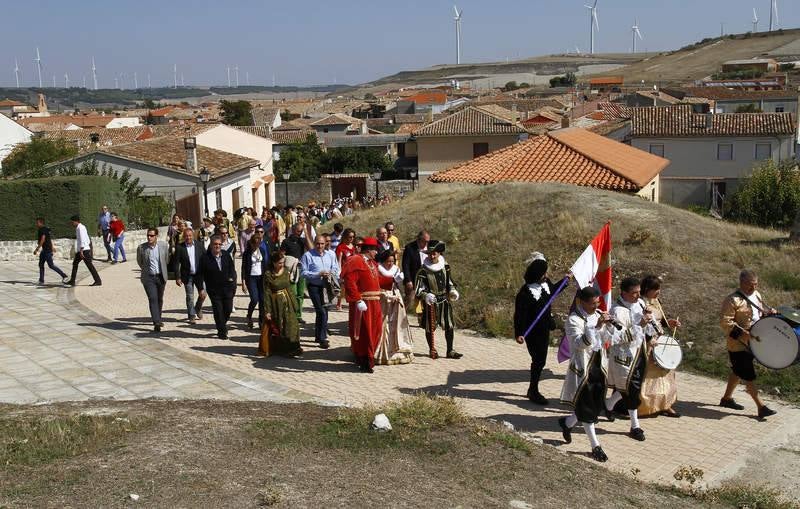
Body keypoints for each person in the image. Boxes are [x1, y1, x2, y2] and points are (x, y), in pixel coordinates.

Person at [558, 286, 615, 463]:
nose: (596, 306)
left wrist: (609, 328)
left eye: (597, 303)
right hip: (582, 370)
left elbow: (606, 340)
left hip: (599, 366)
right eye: (592, 303)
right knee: (587, 408)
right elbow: (579, 344)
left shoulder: (597, 314)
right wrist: (597, 326)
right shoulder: (573, 320)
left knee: (593, 405)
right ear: (582, 302)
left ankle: (567, 423)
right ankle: (595, 446)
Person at [719, 269, 777, 419]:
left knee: (738, 370)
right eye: (750, 285)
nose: (754, 288)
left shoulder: (757, 295)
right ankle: (761, 407)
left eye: (756, 284)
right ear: (742, 283)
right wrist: (743, 334)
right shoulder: (732, 300)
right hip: (738, 344)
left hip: (754, 342)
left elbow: (758, 313)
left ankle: (726, 399)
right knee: (748, 374)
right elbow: (726, 323)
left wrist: (768, 313)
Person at [514, 253, 568, 405]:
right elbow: (520, 316)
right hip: (532, 332)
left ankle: (533, 388)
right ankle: (533, 390)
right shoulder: (525, 294)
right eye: (544, 273)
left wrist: (566, 280)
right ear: (536, 275)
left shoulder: (545, 285)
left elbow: (554, 291)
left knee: (541, 360)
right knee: (538, 360)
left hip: (544, 328)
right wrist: (519, 333)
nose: (546, 275)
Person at [605, 277, 650, 442]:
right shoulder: (617, 311)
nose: (638, 296)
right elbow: (617, 338)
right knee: (632, 389)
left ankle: (609, 404)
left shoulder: (639, 303)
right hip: (624, 356)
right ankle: (635, 426)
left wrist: (661, 325)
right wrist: (639, 325)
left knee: (632, 386)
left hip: (639, 351)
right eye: (634, 293)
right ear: (624, 293)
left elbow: (646, 323)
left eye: (639, 292)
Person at [638, 275, 682, 418]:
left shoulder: (657, 302)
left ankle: (666, 404)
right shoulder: (640, 303)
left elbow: (660, 321)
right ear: (647, 289)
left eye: (659, 288)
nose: (658, 291)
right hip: (648, 342)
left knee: (666, 374)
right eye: (655, 289)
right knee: (649, 376)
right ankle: (643, 406)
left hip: (660, 341)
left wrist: (669, 322)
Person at [414, 240, 461, 359]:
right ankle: (432, 349)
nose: (432, 256)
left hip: (444, 300)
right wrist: (426, 295)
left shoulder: (445, 266)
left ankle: (450, 350)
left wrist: (452, 290)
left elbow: (449, 281)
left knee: (449, 325)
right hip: (431, 303)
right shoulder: (423, 270)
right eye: (430, 253)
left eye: (434, 253)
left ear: (440, 253)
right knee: (430, 327)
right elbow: (418, 289)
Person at [343, 237, 383, 372]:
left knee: (375, 330)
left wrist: (392, 280)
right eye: (375, 250)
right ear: (369, 250)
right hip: (364, 303)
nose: (376, 253)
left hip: (374, 303)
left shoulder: (372, 263)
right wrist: (357, 300)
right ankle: (364, 360)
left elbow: (375, 280)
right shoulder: (356, 261)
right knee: (365, 332)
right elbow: (349, 281)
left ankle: (369, 357)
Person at [260, 252, 303, 357]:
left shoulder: (286, 272)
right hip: (276, 303)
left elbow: (289, 288)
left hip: (287, 302)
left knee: (292, 325)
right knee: (280, 325)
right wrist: (268, 310)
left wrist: (295, 305)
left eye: (283, 262)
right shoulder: (268, 275)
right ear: (274, 263)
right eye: (279, 263)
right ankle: (283, 349)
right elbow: (267, 293)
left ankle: (294, 348)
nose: (282, 265)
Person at [300, 235, 340, 349]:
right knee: (321, 311)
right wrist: (317, 274)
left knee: (325, 310)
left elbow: (336, 268)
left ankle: (318, 335)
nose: (320, 246)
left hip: (327, 286)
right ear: (314, 243)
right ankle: (323, 338)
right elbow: (303, 273)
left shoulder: (330, 255)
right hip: (314, 286)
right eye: (318, 243)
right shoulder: (308, 255)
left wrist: (331, 273)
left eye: (322, 244)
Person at [375, 249, 414, 365]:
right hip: (382, 298)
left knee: (395, 323)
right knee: (384, 324)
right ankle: (381, 353)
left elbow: (397, 285)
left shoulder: (396, 269)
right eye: (388, 261)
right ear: (383, 260)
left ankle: (396, 351)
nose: (390, 263)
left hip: (395, 297)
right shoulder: (378, 269)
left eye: (392, 261)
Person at [199, 235, 238, 340]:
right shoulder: (205, 258)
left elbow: (232, 269)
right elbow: (200, 275)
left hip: (227, 288)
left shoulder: (226, 255)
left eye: (219, 244)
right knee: (218, 310)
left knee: (228, 309)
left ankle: (221, 324)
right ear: (211, 245)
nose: (217, 246)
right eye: (215, 244)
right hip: (214, 289)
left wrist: (232, 279)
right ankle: (222, 331)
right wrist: (201, 288)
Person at [136, 228, 168, 332]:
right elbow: (140, 262)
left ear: (156, 236)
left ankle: (158, 317)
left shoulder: (163, 246)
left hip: (160, 276)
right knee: (153, 298)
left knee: (159, 299)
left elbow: (166, 260)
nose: (149, 237)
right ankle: (156, 321)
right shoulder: (141, 248)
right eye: (148, 235)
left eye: (152, 236)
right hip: (148, 277)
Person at [174, 227, 206, 324]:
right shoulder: (180, 247)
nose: (188, 238)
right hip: (187, 276)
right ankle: (191, 315)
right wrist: (178, 277)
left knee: (203, 294)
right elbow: (176, 263)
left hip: (199, 275)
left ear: (193, 236)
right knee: (190, 296)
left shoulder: (199, 245)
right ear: (184, 237)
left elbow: (206, 258)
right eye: (186, 236)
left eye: (190, 236)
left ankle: (198, 307)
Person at [242, 226, 269, 329]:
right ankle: (249, 316)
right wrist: (243, 282)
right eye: (255, 244)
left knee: (262, 300)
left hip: (261, 277)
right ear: (251, 243)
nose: (256, 246)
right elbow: (243, 268)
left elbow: (265, 265)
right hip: (251, 278)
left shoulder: (261, 250)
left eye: (258, 244)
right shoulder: (247, 253)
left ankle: (261, 321)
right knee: (254, 299)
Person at [281, 223, 308, 323]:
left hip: (301, 269)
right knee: (293, 293)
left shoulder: (302, 241)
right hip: (290, 270)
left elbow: (310, 247)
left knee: (300, 294)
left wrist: (306, 232)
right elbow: (282, 255)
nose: (299, 233)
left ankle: (298, 315)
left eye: (301, 231)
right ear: (293, 230)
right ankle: (291, 314)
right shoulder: (286, 241)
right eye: (298, 231)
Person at [65, 215, 101, 287]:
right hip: (82, 249)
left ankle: (98, 281)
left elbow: (83, 239)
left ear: (76, 221)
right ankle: (72, 281)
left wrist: (81, 251)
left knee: (89, 265)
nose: (72, 224)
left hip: (83, 250)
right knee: (75, 263)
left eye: (72, 222)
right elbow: (87, 239)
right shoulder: (80, 227)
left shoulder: (80, 228)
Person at [33, 217, 68, 285]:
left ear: (41, 223)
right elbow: (49, 239)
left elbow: (43, 239)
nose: (36, 224)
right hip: (45, 250)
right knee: (41, 264)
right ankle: (41, 280)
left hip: (47, 251)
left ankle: (64, 275)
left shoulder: (42, 230)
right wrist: (52, 247)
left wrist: (37, 249)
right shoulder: (45, 229)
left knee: (51, 265)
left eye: (37, 223)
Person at [402, 229, 430, 311]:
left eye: (428, 241)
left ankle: (422, 320)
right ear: (419, 239)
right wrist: (408, 280)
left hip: (426, 280)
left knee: (425, 301)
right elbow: (405, 265)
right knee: (409, 300)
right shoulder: (410, 248)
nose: (426, 243)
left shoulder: (430, 248)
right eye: (425, 241)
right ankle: (401, 318)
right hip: (413, 279)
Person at [335, 228, 356, 312]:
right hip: (344, 269)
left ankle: (352, 302)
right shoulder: (341, 247)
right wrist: (339, 272)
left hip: (353, 269)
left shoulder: (354, 247)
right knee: (343, 288)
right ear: (345, 237)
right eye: (349, 237)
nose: (351, 239)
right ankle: (339, 303)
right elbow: (338, 260)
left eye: (353, 237)